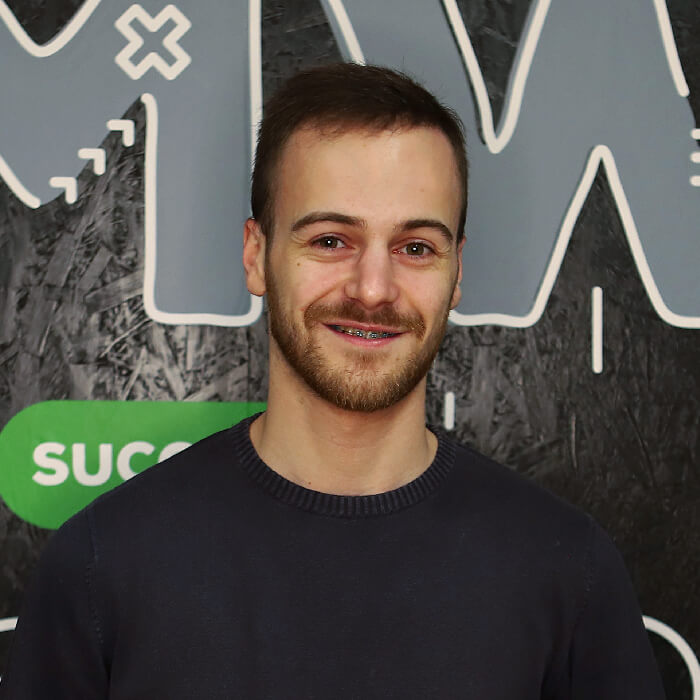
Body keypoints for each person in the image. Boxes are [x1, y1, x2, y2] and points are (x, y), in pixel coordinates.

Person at [1, 63, 665, 699]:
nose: (373, 289)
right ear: (257, 255)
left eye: (415, 248)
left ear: (456, 272)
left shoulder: (566, 571)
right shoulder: (103, 566)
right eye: (330, 240)